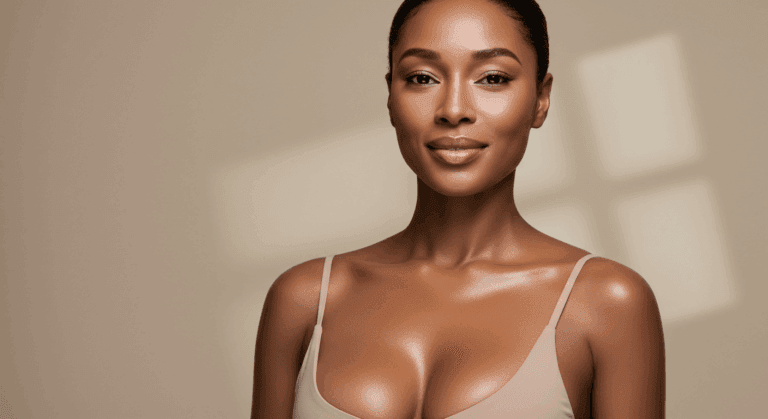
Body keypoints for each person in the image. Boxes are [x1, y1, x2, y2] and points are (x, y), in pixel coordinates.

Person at [251, 0, 665, 417]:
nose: (453, 110)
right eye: (422, 78)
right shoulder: (306, 300)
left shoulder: (606, 303)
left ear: (540, 99)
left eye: (492, 78)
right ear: (391, 96)